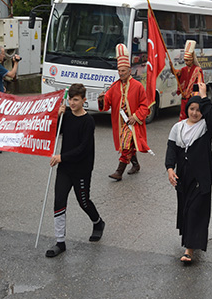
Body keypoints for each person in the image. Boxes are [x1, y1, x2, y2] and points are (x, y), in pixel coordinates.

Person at [45, 83, 105, 257]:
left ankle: (98, 222)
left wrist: (61, 157)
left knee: (83, 202)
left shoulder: (88, 121)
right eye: (70, 99)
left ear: (84, 100)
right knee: (59, 201)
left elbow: (83, 148)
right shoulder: (67, 116)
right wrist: (57, 117)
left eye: (76, 100)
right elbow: (56, 132)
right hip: (64, 168)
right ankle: (60, 241)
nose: (72, 103)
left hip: (81, 169)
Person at [166, 82, 212, 264]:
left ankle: (189, 250)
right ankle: (189, 239)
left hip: (201, 177)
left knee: (196, 210)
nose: (195, 113)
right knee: (186, 210)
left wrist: (204, 96)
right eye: (192, 109)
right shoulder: (178, 128)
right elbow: (171, 149)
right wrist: (170, 169)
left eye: (198, 109)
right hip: (184, 177)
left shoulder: (205, 127)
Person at [98, 44, 150, 181]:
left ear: (129, 70)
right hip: (120, 123)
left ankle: (119, 172)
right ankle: (136, 164)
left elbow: (145, 106)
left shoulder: (138, 86)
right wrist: (102, 99)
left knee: (126, 145)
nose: (121, 73)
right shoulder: (114, 86)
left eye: (123, 71)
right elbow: (106, 104)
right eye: (119, 71)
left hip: (133, 123)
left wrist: (136, 116)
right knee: (127, 145)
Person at [174, 40, 203, 121]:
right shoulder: (184, 69)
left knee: (192, 117)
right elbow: (178, 73)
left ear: (192, 60)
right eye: (185, 60)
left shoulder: (198, 70)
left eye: (188, 60)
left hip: (192, 98)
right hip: (184, 97)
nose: (186, 62)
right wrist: (172, 69)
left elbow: (200, 84)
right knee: (183, 117)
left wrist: (194, 95)